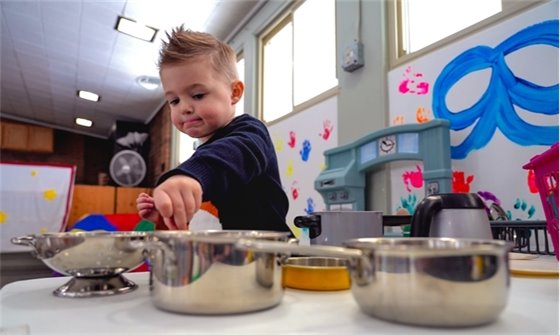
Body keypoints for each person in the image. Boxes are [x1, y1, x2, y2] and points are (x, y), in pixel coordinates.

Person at [136, 26, 290, 232]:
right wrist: (169, 208)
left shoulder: (250, 133)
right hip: (231, 252)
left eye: (198, 95)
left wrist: (187, 176)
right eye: (174, 101)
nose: (185, 108)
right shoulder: (204, 154)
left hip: (271, 252)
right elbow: (207, 202)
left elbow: (226, 159)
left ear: (234, 93)